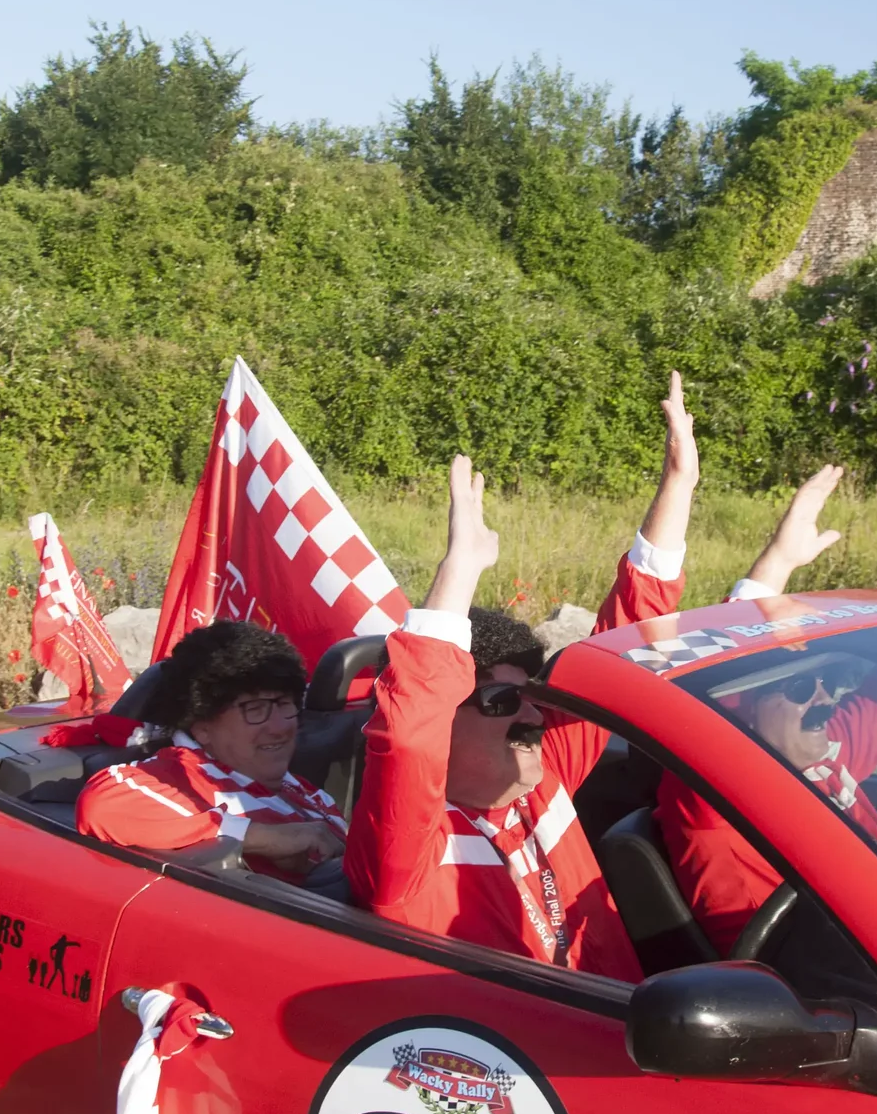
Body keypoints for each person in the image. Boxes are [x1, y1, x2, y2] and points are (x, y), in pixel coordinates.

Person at [344, 375, 703, 981]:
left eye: (531, 698)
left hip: (620, 1034)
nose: (533, 718)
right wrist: (458, 569)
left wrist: (679, 485)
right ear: (445, 726)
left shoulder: (540, 774)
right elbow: (407, 734)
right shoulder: (405, 855)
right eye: (503, 700)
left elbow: (628, 647)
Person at [653, 467, 877, 954]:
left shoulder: (832, 741)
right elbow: (706, 681)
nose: (825, 698)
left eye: (831, 683)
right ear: (742, 716)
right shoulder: (717, 807)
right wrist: (770, 566)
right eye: (801, 687)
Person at [75, 619, 348, 881]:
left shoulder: (306, 794)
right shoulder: (179, 779)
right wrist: (265, 838)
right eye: (255, 709)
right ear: (202, 725)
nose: (279, 727)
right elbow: (102, 805)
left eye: (284, 704)